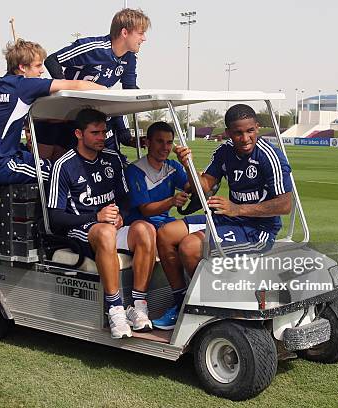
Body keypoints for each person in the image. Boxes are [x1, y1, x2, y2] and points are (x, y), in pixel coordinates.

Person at [153, 104, 293, 330]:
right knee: (166, 233)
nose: (245, 138)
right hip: (229, 218)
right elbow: (204, 188)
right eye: (238, 133)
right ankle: (180, 301)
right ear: (228, 133)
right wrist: (187, 165)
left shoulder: (270, 156)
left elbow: (285, 205)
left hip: (258, 230)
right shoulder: (225, 151)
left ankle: (211, 308)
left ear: (257, 127)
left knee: (190, 247)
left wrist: (237, 209)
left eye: (250, 131)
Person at [48, 108, 156, 339]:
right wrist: (95, 218)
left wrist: (122, 216)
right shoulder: (64, 165)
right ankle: (115, 308)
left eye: (104, 132)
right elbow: (55, 218)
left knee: (146, 230)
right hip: (80, 230)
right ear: (79, 133)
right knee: (106, 232)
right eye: (95, 133)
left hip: (109, 226)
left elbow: (126, 200)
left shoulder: (112, 158)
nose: (102, 137)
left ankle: (138, 307)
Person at [0, 39, 104, 186]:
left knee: (40, 159)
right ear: (22, 67)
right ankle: (68, 209)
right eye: (38, 65)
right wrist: (107, 91)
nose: (42, 70)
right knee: (63, 171)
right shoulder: (24, 85)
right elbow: (77, 85)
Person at [40, 8, 150, 158]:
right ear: (125, 33)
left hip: (94, 113)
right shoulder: (94, 48)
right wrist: (67, 91)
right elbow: (52, 61)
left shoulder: (130, 58)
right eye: (140, 33)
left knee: (109, 158)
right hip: (69, 115)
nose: (144, 38)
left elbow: (129, 89)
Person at [125, 121, 190, 229]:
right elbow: (145, 210)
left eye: (169, 143)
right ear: (148, 142)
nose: (165, 147)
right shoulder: (135, 170)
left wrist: (188, 166)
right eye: (160, 141)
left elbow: (190, 187)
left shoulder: (172, 166)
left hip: (164, 222)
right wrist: (172, 201)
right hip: (140, 225)